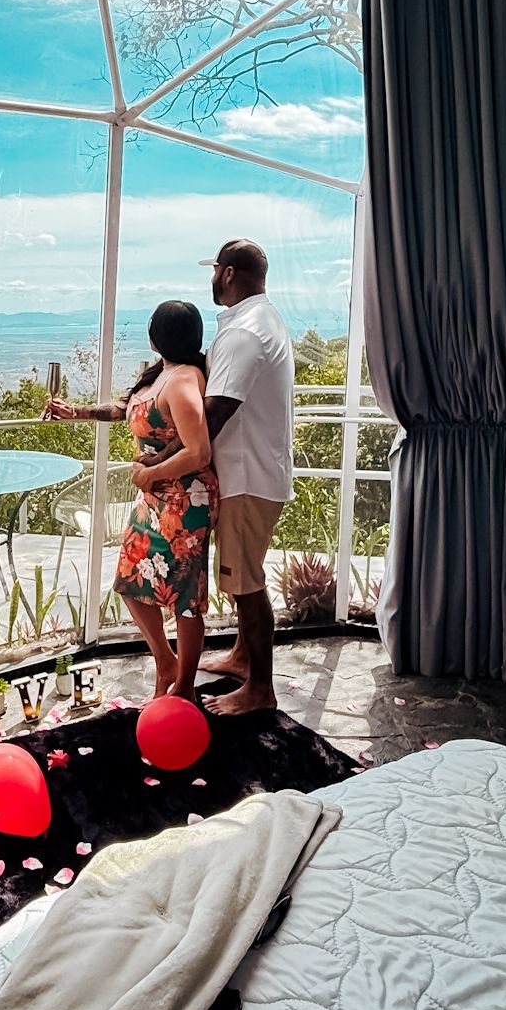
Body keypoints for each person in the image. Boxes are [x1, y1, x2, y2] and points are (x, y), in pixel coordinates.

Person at [43, 300, 218, 698]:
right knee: (129, 579)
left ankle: (185, 687)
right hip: (154, 497)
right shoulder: (160, 374)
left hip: (184, 500)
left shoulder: (184, 380)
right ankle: (166, 662)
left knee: (184, 596)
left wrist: (150, 474)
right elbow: (125, 410)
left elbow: (199, 452)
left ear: (157, 336)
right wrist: (77, 412)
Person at [196, 238, 294, 715]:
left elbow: (216, 412)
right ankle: (241, 657)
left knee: (245, 583)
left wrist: (166, 460)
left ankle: (260, 689)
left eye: (215, 270)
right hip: (254, 471)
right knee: (243, 575)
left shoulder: (246, 333)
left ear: (229, 273)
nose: (213, 278)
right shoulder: (260, 321)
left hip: (246, 476)